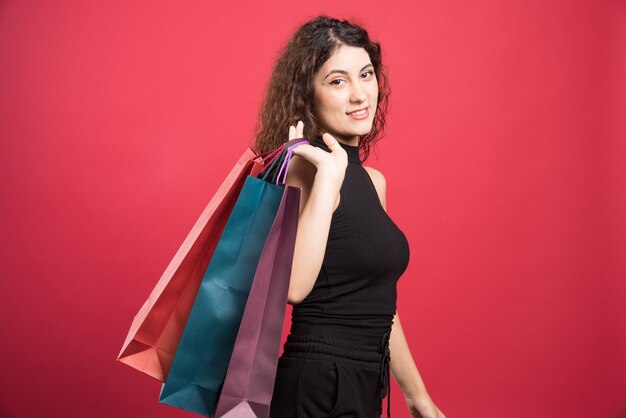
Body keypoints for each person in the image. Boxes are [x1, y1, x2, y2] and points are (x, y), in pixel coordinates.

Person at [251, 15, 446, 418]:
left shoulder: (374, 182)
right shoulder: (303, 170)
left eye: (367, 75)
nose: (360, 95)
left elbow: (379, 305)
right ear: (308, 95)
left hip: (365, 384)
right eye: (338, 81)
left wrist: (418, 397)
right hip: (317, 384)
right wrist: (328, 178)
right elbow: (294, 288)